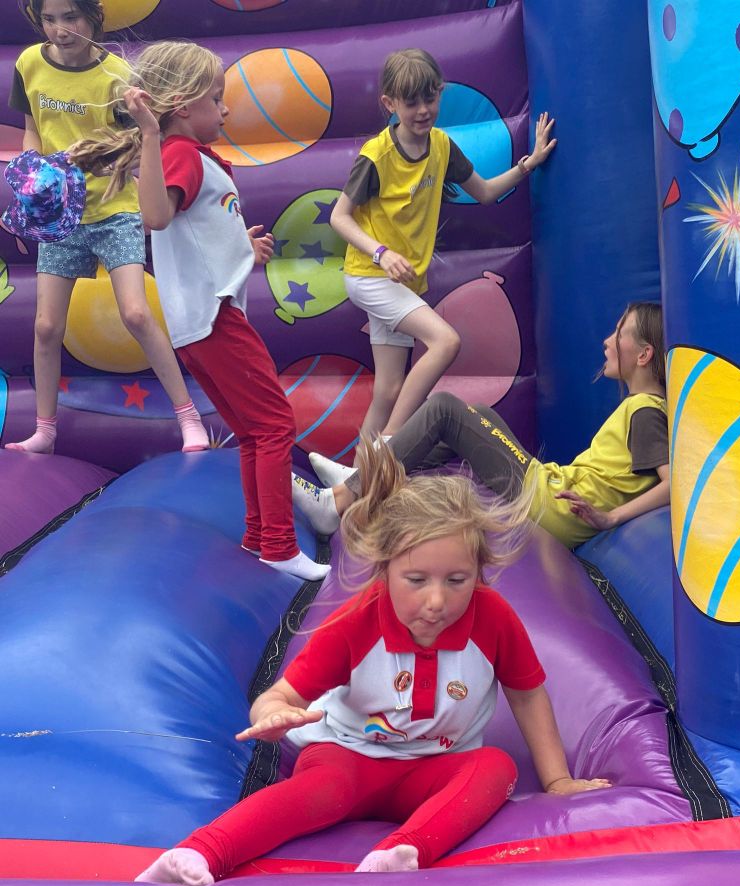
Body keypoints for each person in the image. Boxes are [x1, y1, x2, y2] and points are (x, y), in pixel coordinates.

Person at [135, 441, 610, 886]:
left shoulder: (492, 618)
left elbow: (526, 693)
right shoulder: (357, 624)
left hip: (433, 768)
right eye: (417, 579)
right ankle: (200, 852)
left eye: (458, 580)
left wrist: (557, 780)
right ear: (384, 568)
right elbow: (279, 697)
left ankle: (404, 852)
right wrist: (273, 716)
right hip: (348, 758)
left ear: (480, 572)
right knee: (317, 793)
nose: (437, 600)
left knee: (495, 766)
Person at [71, 41, 328, 581]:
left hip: (201, 322)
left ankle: (260, 536)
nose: (226, 109)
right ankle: (279, 545)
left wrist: (245, 249)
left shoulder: (193, 157)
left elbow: (196, 232)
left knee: (257, 432)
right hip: (215, 321)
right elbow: (158, 218)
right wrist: (147, 132)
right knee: (276, 426)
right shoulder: (178, 153)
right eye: (217, 98)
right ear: (185, 105)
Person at [5, 0, 209, 456]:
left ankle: (189, 417)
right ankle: (45, 430)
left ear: (94, 17)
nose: (60, 30)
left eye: (71, 17)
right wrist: (35, 166)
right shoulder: (29, 63)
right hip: (60, 214)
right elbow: (32, 129)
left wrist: (91, 157)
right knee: (44, 326)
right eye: (50, 20)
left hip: (114, 208)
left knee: (136, 313)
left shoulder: (116, 76)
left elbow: (133, 148)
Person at [295, 302, 669, 550]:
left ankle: (339, 502)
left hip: (552, 507)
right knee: (477, 413)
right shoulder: (643, 408)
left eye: (619, 333)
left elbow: (673, 484)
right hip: (552, 493)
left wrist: (611, 518)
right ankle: (366, 475)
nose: (607, 341)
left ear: (643, 354)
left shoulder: (646, 411)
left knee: (445, 409)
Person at [331, 47, 556, 444]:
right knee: (445, 341)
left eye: (430, 98)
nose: (423, 110)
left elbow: (485, 192)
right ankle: (391, 444)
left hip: (402, 285)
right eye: (411, 102)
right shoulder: (377, 156)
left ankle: (356, 482)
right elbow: (340, 217)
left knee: (388, 391)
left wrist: (529, 164)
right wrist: (382, 254)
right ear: (390, 103)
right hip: (370, 275)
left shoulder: (441, 147)